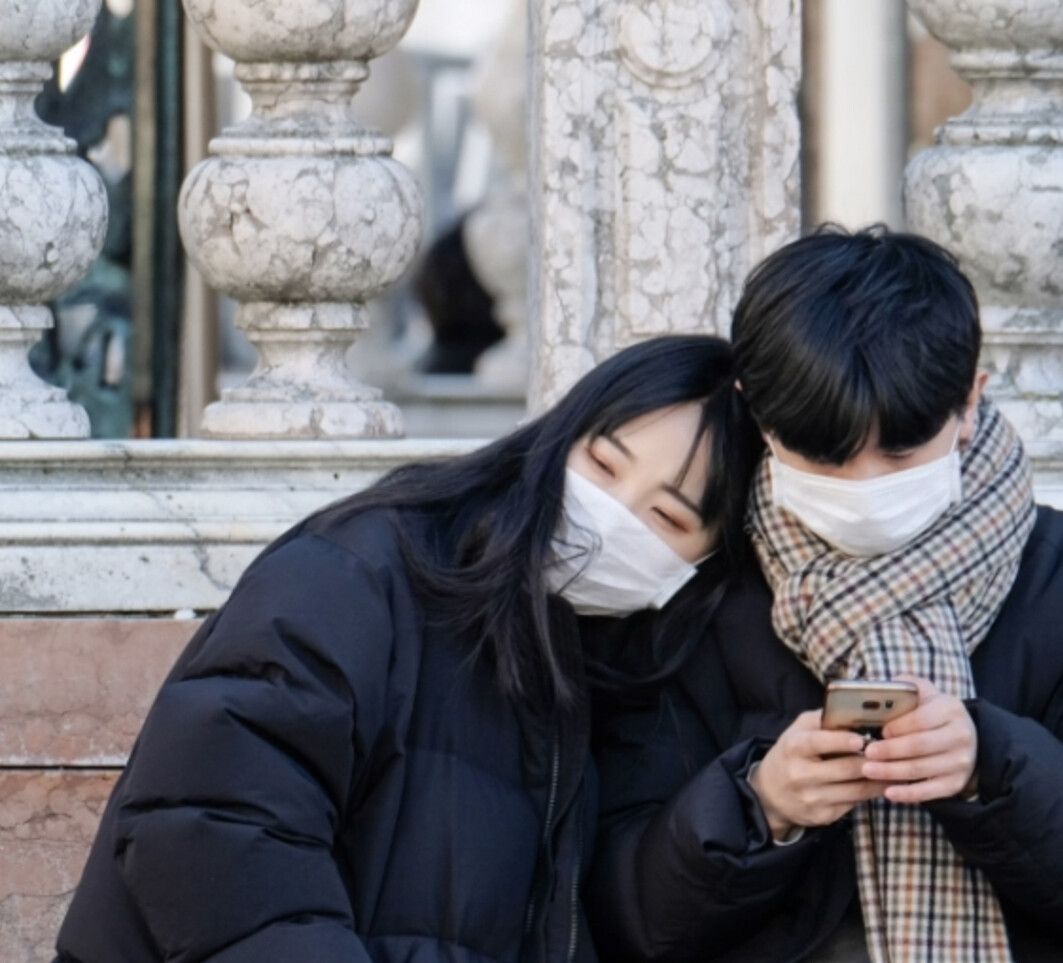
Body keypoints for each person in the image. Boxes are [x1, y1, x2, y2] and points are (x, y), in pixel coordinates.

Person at [588, 227, 1063, 963]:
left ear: (968, 400)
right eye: (823, 456)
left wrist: (993, 765)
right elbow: (617, 905)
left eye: (899, 452)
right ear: (756, 413)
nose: (865, 488)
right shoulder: (691, 596)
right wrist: (759, 805)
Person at [54, 335, 763, 963]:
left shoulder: (604, 657)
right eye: (604, 464)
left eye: (665, 515)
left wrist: (764, 805)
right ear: (559, 435)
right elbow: (213, 827)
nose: (613, 513)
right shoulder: (362, 570)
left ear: (704, 566)